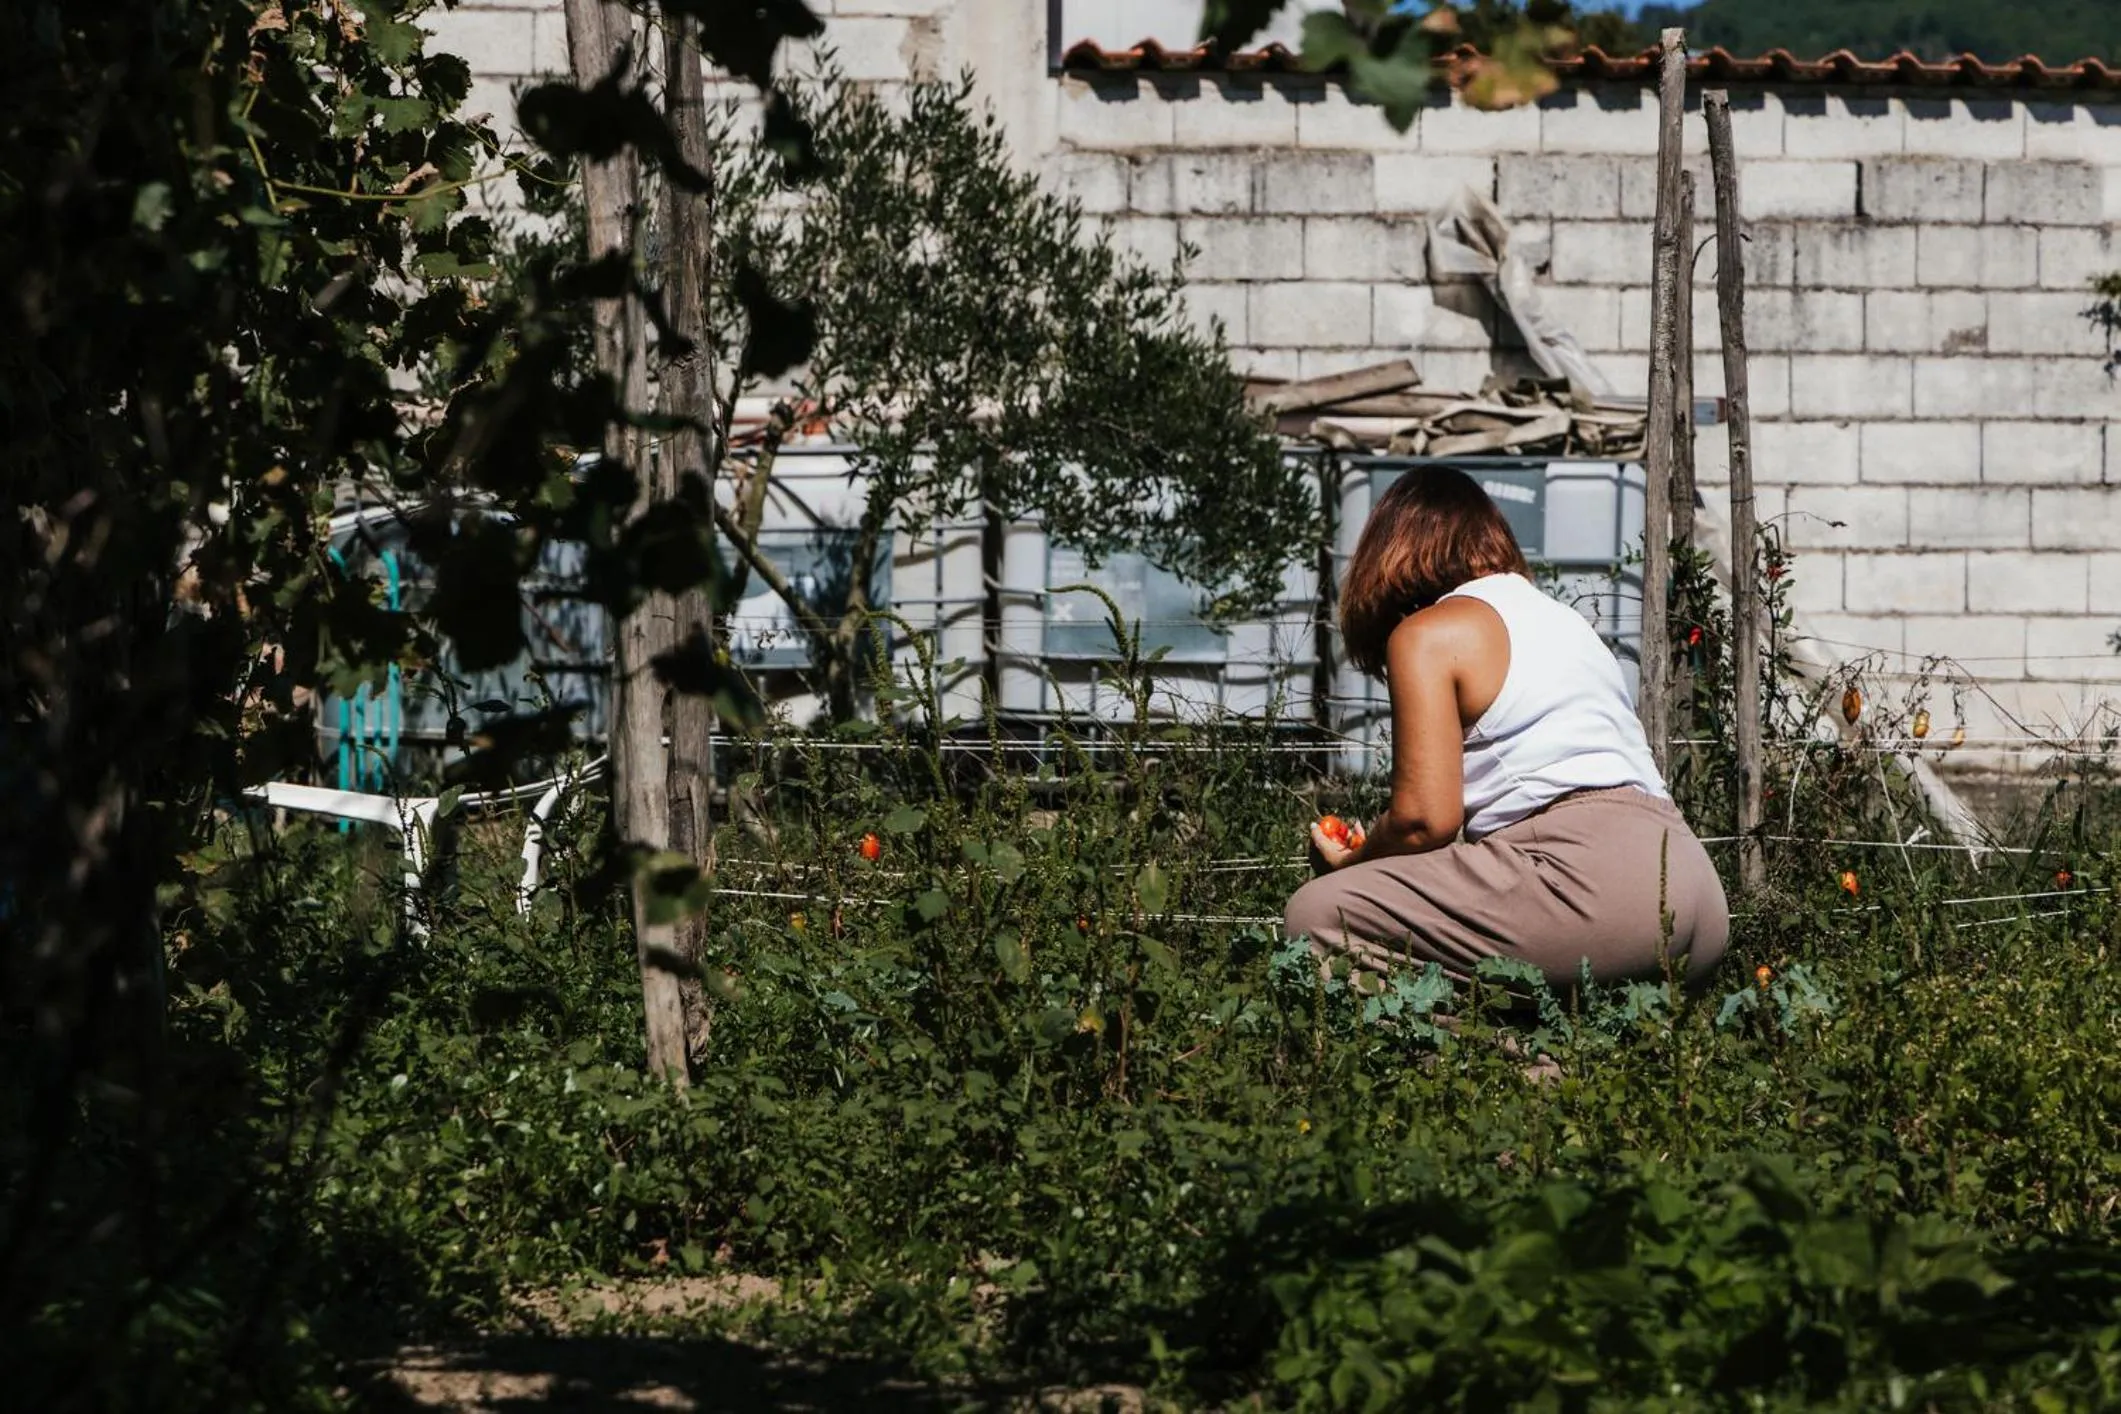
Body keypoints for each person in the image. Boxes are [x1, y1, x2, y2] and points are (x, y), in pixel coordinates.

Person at [1283, 466, 1729, 994]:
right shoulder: (1562, 621)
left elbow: (1424, 821)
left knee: (1317, 915)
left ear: (1391, 553)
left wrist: (1356, 862)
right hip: (1694, 888)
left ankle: (1511, 1066)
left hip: (1593, 890)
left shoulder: (1428, 632)